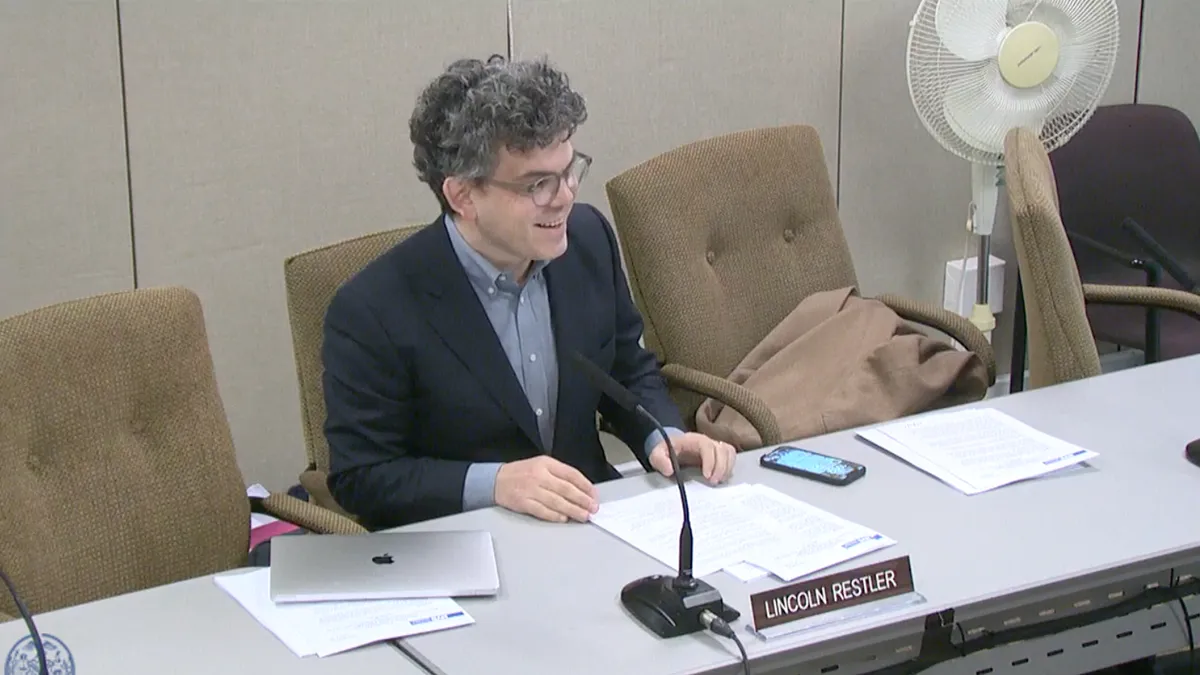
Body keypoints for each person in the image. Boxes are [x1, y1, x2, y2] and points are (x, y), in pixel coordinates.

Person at [321, 55, 736, 529]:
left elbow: (625, 366)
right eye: (538, 184)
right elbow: (364, 477)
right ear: (463, 196)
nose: (565, 196)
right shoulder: (372, 309)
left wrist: (662, 435)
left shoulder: (587, 239)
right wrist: (496, 483)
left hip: (592, 523)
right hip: (468, 545)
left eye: (569, 169)